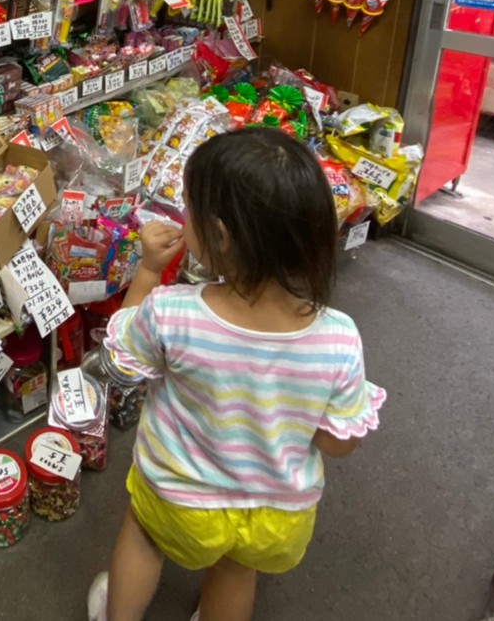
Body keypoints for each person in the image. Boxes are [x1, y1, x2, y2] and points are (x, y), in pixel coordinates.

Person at [87, 130, 384, 621]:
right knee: (235, 571)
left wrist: (146, 273)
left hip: (178, 496)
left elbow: (121, 361)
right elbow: (337, 443)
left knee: (141, 534)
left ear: (219, 236)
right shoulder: (339, 336)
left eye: (187, 207)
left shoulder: (173, 312)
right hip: (277, 513)